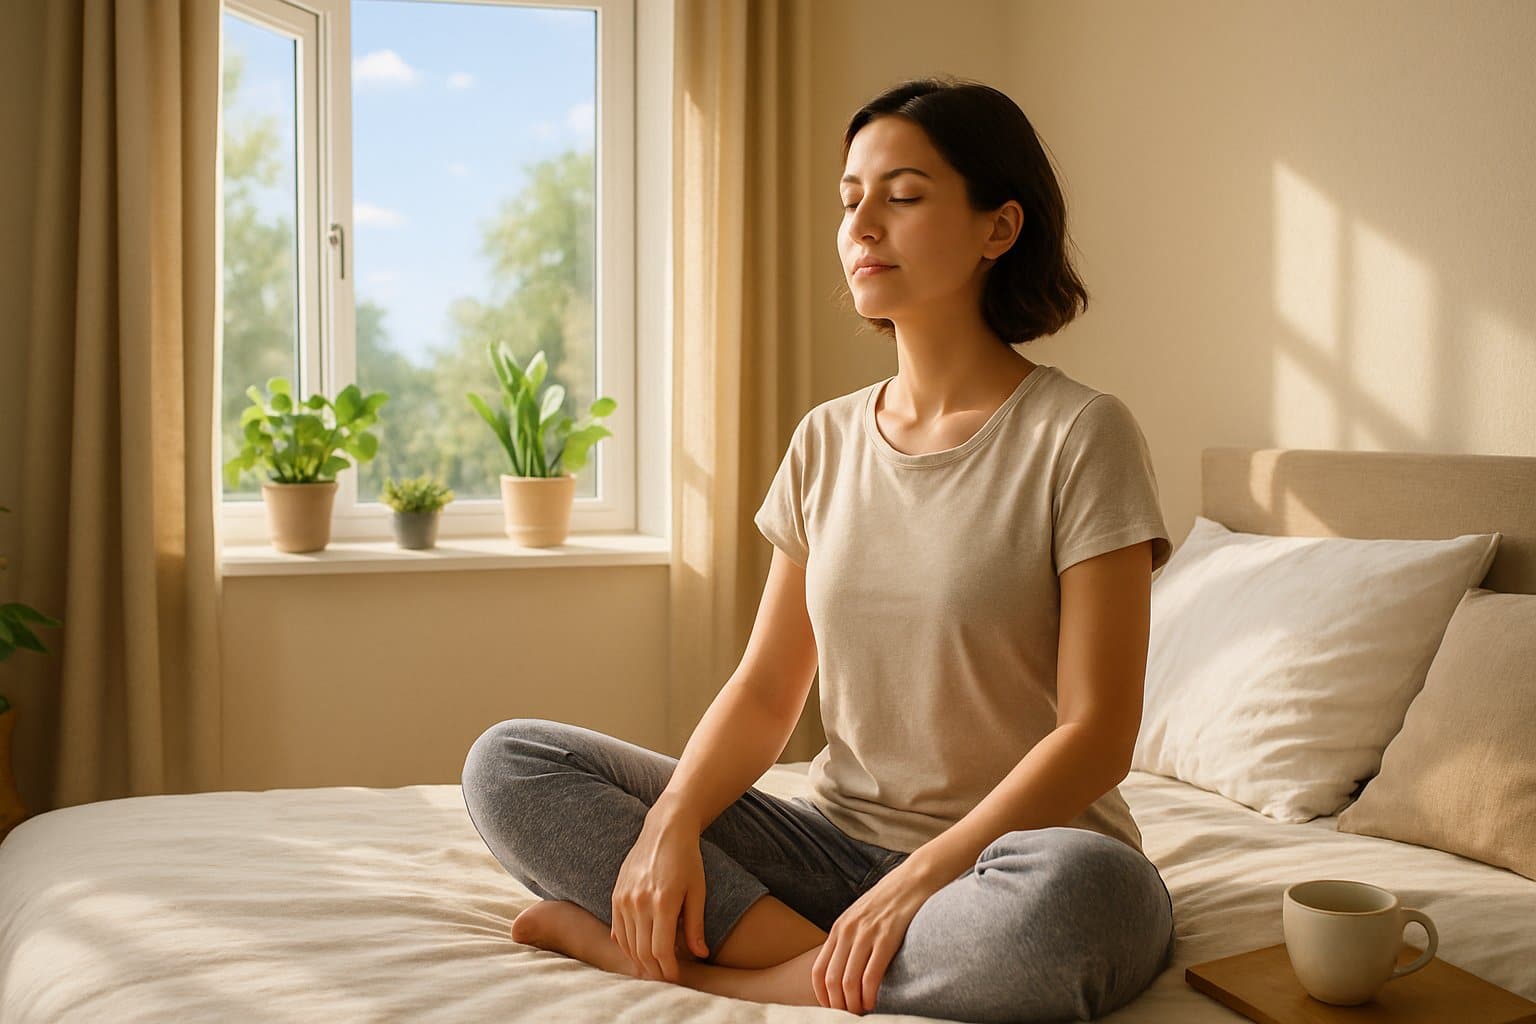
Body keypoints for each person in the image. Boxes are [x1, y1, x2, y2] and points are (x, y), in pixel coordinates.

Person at [461, 75, 1176, 1023]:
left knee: (1081, 907)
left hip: (1013, 859)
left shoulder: (1081, 435)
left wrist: (920, 880)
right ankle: (829, 966)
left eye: (905, 196)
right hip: (831, 856)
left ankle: (732, 977)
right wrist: (671, 828)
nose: (863, 225)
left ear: (998, 229)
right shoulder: (825, 441)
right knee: (509, 763)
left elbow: (1098, 734)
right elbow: (766, 692)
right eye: (850, 201)